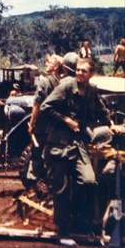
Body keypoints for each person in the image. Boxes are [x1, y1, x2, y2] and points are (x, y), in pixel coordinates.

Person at [41, 58, 120, 246]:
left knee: (89, 180)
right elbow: (45, 107)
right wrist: (66, 119)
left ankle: (82, 221)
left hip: (78, 145)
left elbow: (102, 110)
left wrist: (111, 125)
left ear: (91, 73)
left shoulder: (91, 91)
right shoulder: (66, 87)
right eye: (77, 70)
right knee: (61, 190)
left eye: (84, 71)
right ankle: (63, 231)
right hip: (59, 145)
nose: (79, 74)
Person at [26, 54, 63, 189]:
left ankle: (34, 183)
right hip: (56, 124)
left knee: (36, 153)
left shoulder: (44, 81)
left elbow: (37, 103)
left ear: (56, 66)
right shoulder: (61, 82)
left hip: (43, 124)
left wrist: (31, 123)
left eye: (49, 62)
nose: (46, 64)